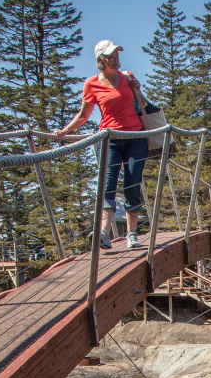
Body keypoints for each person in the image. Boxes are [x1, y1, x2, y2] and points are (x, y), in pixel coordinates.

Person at [54, 40, 147, 249]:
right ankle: (104, 233)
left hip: (135, 138)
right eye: (111, 56)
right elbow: (83, 115)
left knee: (132, 185)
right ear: (100, 60)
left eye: (117, 55)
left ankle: (132, 234)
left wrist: (137, 88)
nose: (116, 59)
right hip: (109, 140)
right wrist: (65, 131)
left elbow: (144, 104)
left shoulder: (128, 77)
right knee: (108, 186)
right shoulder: (92, 84)